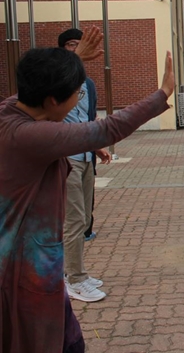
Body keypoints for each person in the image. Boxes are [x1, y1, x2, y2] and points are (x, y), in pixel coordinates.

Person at [0, 45, 174, 352]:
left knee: (68, 340)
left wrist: (71, 63)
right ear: (53, 100)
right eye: (75, 94)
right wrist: (162, 93)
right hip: (26, 272)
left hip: (33, 264)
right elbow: (106, 128)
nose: (77, 100)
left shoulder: (11, 110)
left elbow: (43, 85)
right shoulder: (29, 136)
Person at [58, 28, 112, 303]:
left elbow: (87, 121)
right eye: (71, 45)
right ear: (62, 50)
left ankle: (76, 273)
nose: (77, 49)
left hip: (85, 157)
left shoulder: (88, 84)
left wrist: (95, 146)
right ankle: (74, 279)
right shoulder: (55, 81)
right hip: (65, 160)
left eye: (80, 45)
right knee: (74, 219)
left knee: (84, 219)